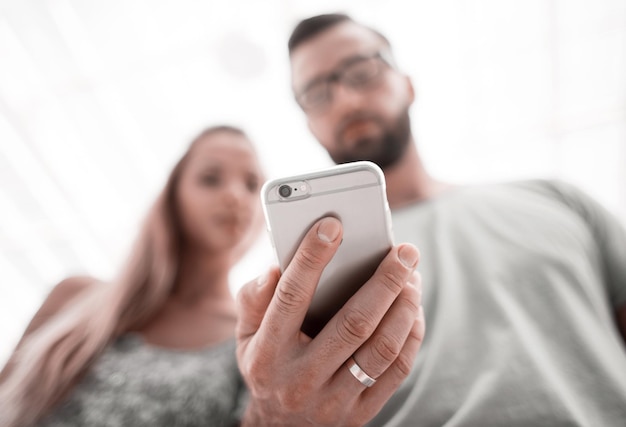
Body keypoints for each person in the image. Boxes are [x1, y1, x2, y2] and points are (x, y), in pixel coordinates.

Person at [234, 13, 626, 426]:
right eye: (316, 93)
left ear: (407, 83)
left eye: (362, 70)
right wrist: (270, 415)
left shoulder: (557, 198)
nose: (347, 100)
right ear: (310, 125)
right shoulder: (304, 278)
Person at [0, 125, 265, 427]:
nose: (234, 196)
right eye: (210, 178)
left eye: (252, 184)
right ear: (173, 196)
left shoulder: (250, 342)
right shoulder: (73, 297)